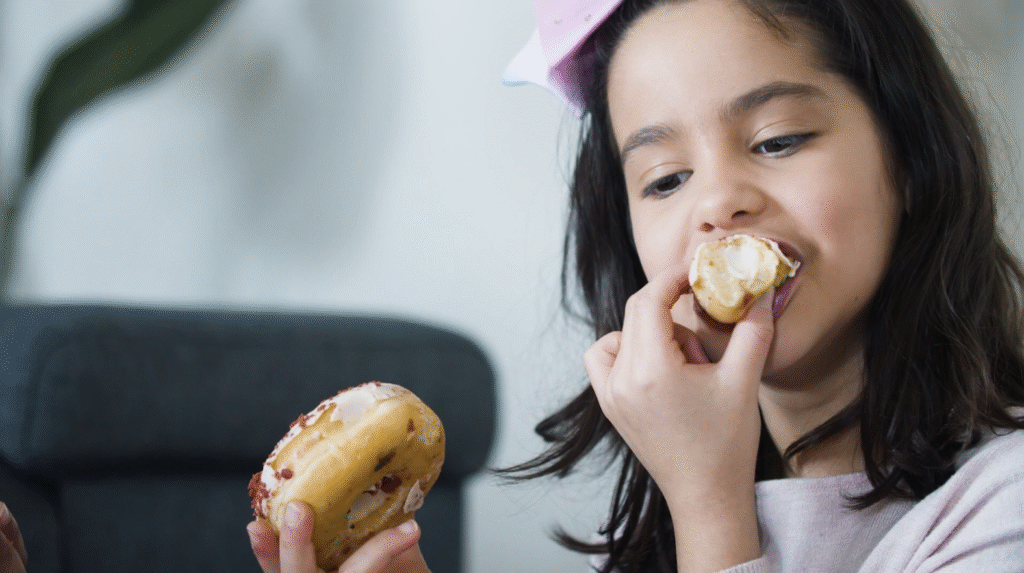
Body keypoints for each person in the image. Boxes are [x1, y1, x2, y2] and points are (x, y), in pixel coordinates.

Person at [241, 0, 1024, 571]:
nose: (718, 203)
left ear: (910, 155)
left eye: (777, 140)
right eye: (666, 179)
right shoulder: (649, 535)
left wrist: (708, 504)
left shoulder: (1002, 503)